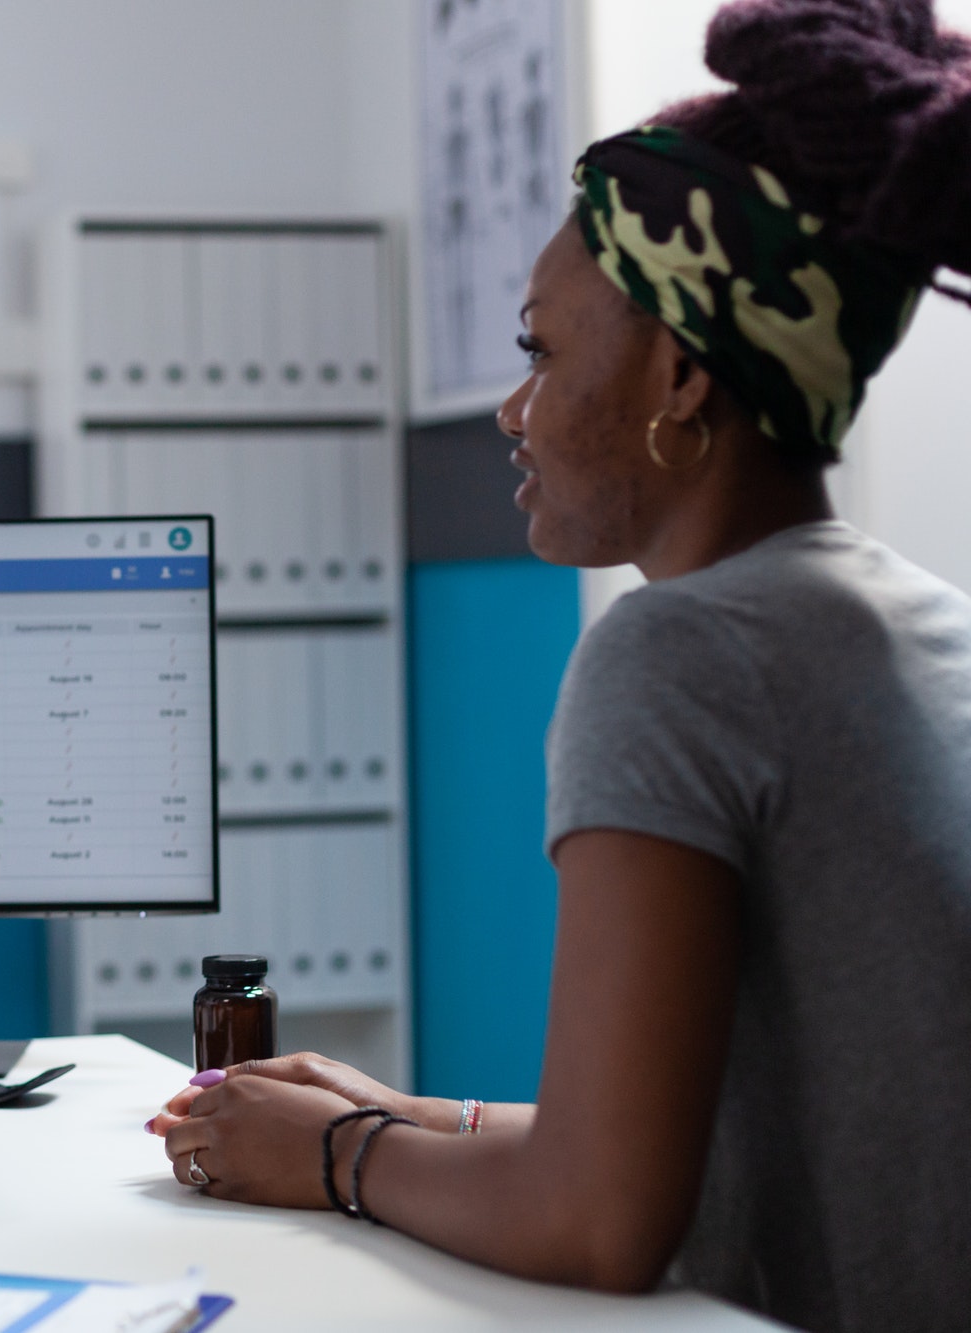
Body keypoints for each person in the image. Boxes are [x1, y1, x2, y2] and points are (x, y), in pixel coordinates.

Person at [149, 2, 971, 1329]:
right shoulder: (916, 617)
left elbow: (600, 1221)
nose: (509, 406)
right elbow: (690, 1130)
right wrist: (405, 1113)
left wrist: (318, 1158)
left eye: (540, 349)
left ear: (680, 375)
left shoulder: (677, 651)